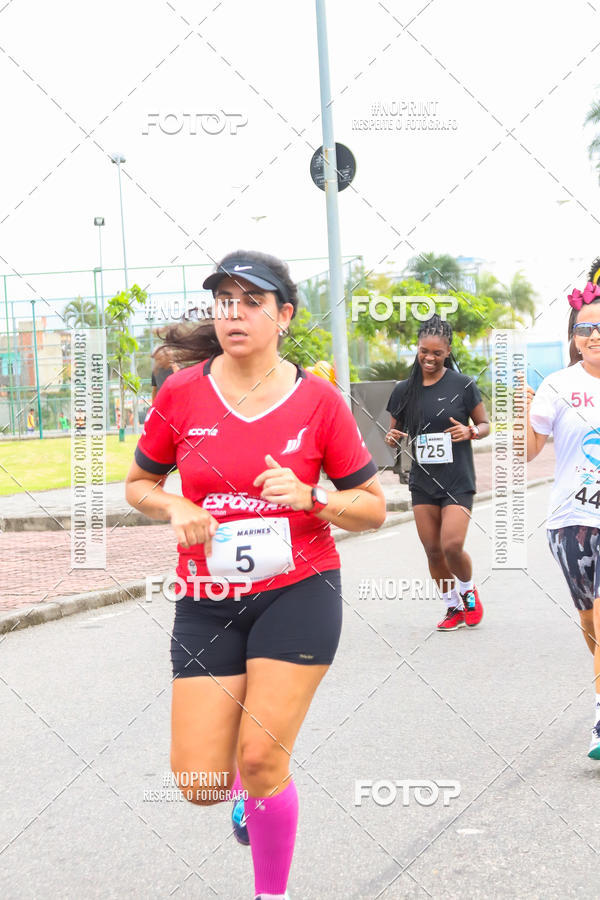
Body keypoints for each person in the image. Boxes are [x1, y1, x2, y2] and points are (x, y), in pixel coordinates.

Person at [125, 250, 386, 900]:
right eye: (223, 301)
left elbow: (374, 508)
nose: (234, 313)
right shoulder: (180, 394)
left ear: (284, 314)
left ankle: (271, 889)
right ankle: (240, 783)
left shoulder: (320, 401)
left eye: (251, 301)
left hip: (299, 590)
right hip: (209, 598)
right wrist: (176, 503)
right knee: (200, 784)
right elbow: (138, 486)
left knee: (264, 758)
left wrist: (312, 498)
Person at [527, 259, 600, 760]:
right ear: (574, 337)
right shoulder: (556, 385)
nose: (594, 336)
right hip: (571, 520)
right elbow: (528, 452)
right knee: (590, 620)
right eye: (585, 328)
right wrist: (518, 412)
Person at [384, 314, 489, 631]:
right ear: (417, 349)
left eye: (437, 353)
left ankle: (468, 592)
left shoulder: (463, 385)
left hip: (458, 479)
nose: (429, 358)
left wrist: (471, 433)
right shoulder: (404, 390)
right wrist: (392, 439)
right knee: (432, 551)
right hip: (423, 482)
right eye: (423, 352)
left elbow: (484, 425)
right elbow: (392, 433)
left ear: (448, 351)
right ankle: (452, 608)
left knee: (451, 545)